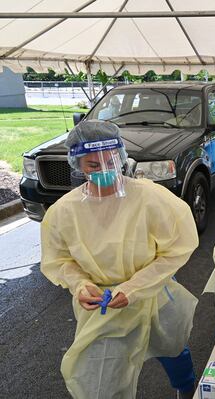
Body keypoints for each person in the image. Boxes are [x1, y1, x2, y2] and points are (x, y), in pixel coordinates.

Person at [40, 120, 199, 399]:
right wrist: (79, 285)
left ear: (122, 156)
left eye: (110, 159)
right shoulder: (64, 212)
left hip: (153, 295)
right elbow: (60, 259)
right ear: (77, 164)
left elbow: (176, 249)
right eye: (92, 165)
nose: (104, 169)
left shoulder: (151, 197)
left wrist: (134, 288)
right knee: (101, 377)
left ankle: (187, 391)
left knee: (172, 349)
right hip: (104, 305)